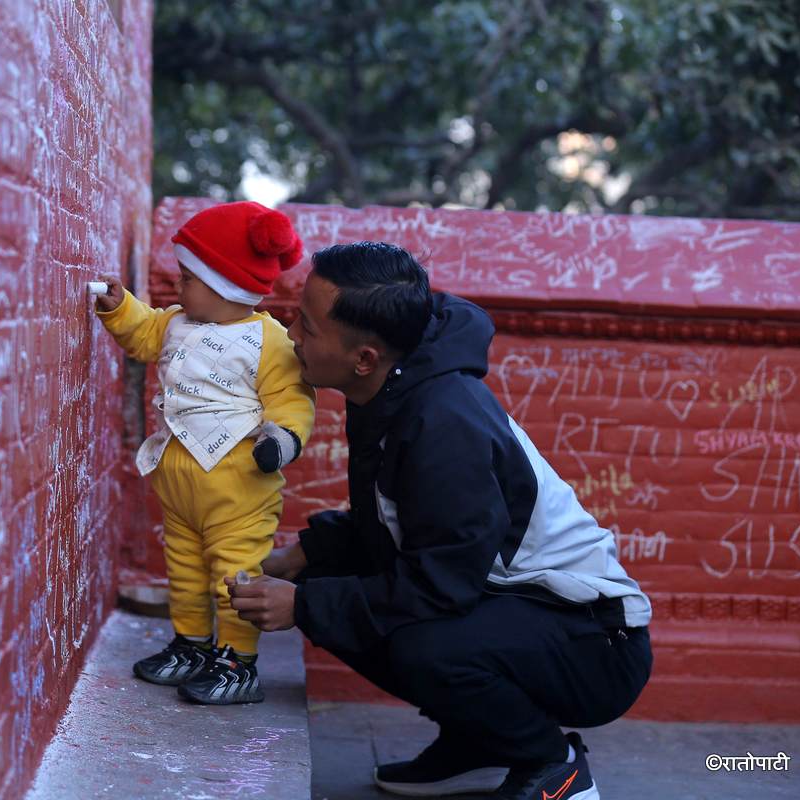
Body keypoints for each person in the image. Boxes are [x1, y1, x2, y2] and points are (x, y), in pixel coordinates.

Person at [226, 242, 652, 798]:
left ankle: (554, 767)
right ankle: (477, 743)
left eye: (306, 325)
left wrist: (304, 604)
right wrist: (302, 558)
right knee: (330, 592)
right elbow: (401, 524)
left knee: (417, 644)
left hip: (593, 642)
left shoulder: (443, 422)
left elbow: (442, 581)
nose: (291, 335)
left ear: (364, 358)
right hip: (519, 609)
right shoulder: (393, 387)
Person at [94, 201, 316, 705]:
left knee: (234, 575)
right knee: (186, 570)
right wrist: (118, 307)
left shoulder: (269, 341)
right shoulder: (175, 323)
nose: (178, 287)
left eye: (189, 278)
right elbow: (143, 331)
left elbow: (292, 400)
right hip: (179, 484)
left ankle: (238, 661)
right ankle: (192, 645)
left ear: (225, 284)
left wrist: (280, 441)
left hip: (237, 490)